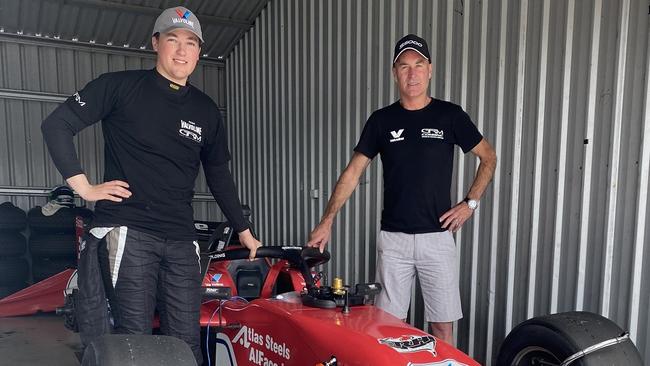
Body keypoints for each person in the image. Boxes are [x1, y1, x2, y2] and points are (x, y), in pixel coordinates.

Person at [41, 6, 261, 364]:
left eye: (190, 42)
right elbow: (56, 125)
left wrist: (244, 229)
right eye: (172, 39)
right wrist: (84, 188)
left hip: (181, 237)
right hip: (129, 231)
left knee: (185, 341)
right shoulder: (119, 86)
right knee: (135, 339)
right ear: (155, 43)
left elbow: (219, 174)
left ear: (199, 51)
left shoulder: (206, 111)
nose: (181, 50)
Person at [308, 34, 497, 344]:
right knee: (391, 327)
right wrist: (327, 220)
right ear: (394, 72)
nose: (412, 74)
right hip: (393, 242)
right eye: (404, 66)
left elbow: (488, 157)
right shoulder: (382, 121)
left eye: (418, 66)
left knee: (442, 328)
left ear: (430, 69)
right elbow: (353, 172)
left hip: (437, 239)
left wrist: (470, 204)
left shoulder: (450, 116)